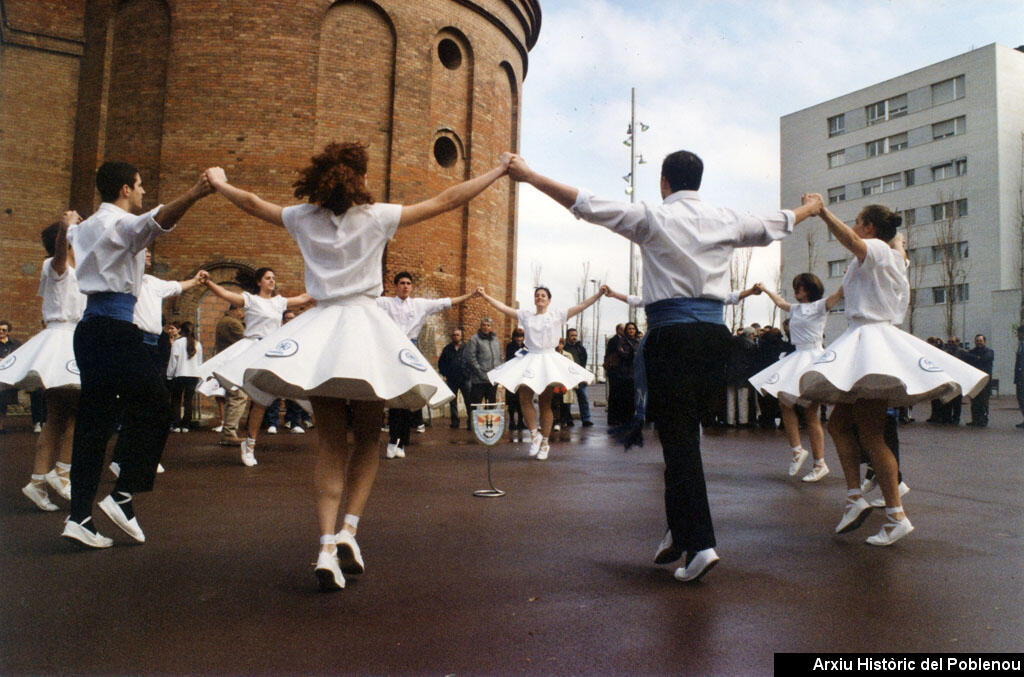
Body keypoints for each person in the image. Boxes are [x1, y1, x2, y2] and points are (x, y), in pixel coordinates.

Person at [201, 141, 508, 591]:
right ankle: (349, 530)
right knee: (367, 436)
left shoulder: (301, 217)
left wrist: (221, 183)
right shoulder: (378, 216)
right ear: (360, 179)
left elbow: (252, 203)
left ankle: (325, 544)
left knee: (329, 441)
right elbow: (447, 200)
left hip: (323, 332)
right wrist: (497, 172)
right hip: (365, 332)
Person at [506, 149, 821, 582]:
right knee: (684, 437)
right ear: (698, 181)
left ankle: (700, 543)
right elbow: (780, 222)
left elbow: (586, 203)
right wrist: (812, 206)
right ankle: (678, 530)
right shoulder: (726, 217)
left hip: (671, 338)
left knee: (679, 443)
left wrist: (530, 175)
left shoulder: (653, 217)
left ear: (664, 182)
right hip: (715, 341)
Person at [789, 201, 987, 546]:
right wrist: (898, 244)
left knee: (871, 433)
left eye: (859, 222)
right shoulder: (893, 253)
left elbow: (852, 242)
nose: (855, 226)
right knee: (839, 424)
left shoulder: (877, 249)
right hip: (867, 341)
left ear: (869, 228)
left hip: (871, 343)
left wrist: (821, 213)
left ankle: (895, 515)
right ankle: (855, 499)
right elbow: (889, 250)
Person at [62, 161, 212, 548]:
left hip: (89, 330)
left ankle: (79, 516)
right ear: (126, 189)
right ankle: (123, 494)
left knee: (93, 423)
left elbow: (72, 229)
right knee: (158, 406)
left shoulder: (85, 228)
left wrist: (69, 222)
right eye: (141, 186)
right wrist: (195, 193)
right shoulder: (119, 225)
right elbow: (157, 220)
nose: (144, 192)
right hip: (115, 329)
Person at [0, 211, 85, 510]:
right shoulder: (55, 266)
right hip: (61, 340)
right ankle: (62, 471)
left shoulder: (78, 270)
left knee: (56, 417)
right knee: (79, 412)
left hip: (69, 340)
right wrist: (67, 226)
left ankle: (37, 481)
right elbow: (61, 252)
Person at [198, 267, 312, 466]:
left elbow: (303, 298)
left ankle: (249, 444)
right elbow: (226, 294)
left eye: (273, 278)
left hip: (271, 351)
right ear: (259, 282)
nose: (272, 281)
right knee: (244, 392)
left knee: (262, 399)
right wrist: (208, 282)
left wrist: (332, 289)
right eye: (268, 278)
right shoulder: (250, 300)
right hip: (251, 349)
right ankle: (244, 439)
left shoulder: (279, 302)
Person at [477, 284, 603, 460]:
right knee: (524, 397)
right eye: (537, 295)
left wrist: (598, 294)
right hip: (530, 358)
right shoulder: (526, 316)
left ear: (549, 300)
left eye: (543, 295)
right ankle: (534, 435)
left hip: (548, 360)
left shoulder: (557, 315)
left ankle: (545, 442)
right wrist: (485, 297)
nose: (540, 298)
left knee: (545, 403)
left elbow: (581, 306)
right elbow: (504, 308)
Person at [748, 275, 843, 481]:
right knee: (785, 403)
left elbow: (838, 294)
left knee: (810, 414)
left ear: (809, 289)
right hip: (797, 357)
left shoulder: (820, 306)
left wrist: (852, 273)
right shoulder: (795, 309)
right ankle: (798, 451)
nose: (796, 291)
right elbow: (780, 302)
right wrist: (765, 288)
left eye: (799, 287)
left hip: (812, 358)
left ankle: (819, 463)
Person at [377, 272, 475, 457]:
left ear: (411, 287)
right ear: (395, 286)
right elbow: (363, 303)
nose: (405, 286)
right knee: (395, 395)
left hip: (411, 351)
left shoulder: (419, 304)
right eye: (402, 283)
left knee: (410, 395)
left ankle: (401, 443)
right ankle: (392, 440)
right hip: (392, 349)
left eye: (408, 283)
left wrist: (470, 295)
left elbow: (446, 302)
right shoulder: (385, 303)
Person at [206, 304, 247, 444]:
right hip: (233, 364)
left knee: (232, 397)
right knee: (238, 396)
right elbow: (247, 340)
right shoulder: (232, 323)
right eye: (242, 311)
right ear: (236, 309)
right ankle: (229, 432)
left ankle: (228, 432)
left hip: (227, 365)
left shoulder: (224, 322)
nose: (243, 314)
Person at [463, 316, 503, 428]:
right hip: (479, 380)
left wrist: (499, 371)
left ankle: (488, 425)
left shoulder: (495, 340)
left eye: (488, 325)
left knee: (491, 404)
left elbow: (499, 356)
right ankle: (471, 425)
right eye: (484, 325)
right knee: (475, 404)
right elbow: (470, 357)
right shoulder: (474, 339)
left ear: (491, 327)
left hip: (492, 379)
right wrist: (480, 372)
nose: (486, 327)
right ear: (480, 326)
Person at [167, 321, 203, 432]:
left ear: (181, 330)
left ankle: (176, 424)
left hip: (180, 374)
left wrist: (169, 375)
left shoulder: (178, 343)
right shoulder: (198, 344)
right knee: (188, 400)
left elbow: (174, 360)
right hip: (193, 375)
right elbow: (200, 362)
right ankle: (186, 425)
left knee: (176, 399)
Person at [438, 328, 470, 428]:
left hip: (465, 379)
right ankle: (455, 422)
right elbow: (441, 363)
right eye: (454, 335)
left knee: (468, 400)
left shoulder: (467, 348)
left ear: (461, 336)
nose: (455, 336)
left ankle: (470, 422)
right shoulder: (447, 349)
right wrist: (445, 373)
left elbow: (472, 361)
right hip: (452, 379)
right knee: (452, 402)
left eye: (457, 335)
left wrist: (469, 374)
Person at [562, 327, 592, 426]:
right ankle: (568, 419)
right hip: (568, 376)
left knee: (583, 396)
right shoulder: (564, 348)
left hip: (579, 376)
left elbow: (584, 361)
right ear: (568, 336)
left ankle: (586, 419)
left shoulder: (581, 348)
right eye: (572, 335)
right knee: (568, 399)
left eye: (575, 335)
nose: (574, 337)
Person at [0, 320, 23, 434]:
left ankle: (1, 424)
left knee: (3, 402)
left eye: (4, 330)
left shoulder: (15, 344)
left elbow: (20, 356)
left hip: (7, 377)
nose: (1, 332)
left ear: (8, 331)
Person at [965, 334, 994, 427]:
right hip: (974, 380)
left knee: (983, 402)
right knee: (974, 401)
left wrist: (975, 358)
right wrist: (977, 358)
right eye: (977, 340)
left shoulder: (990, 351)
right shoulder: (972, 351)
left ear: (984, 342)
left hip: (985, 381)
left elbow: (984, 360)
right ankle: (975, 420)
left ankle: (983, 420)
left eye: (980, 340)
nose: (979, 342)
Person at [503, 328, 526, 432]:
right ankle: (512, 421)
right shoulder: (510, 346)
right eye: (517, 336)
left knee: (521, 400)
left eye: (521, 337)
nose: (519, 339)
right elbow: (510, 358)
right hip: (511, 376)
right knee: (511, 400)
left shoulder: (525, 347)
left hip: (522, 376)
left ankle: (521, 421)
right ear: (514, 337)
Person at [1015, 326, 1024, 429]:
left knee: (1022, 398)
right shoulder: (1020, 345)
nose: (1018, 335)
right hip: (1020, 377)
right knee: (1020, 398)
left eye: (1019, 333)